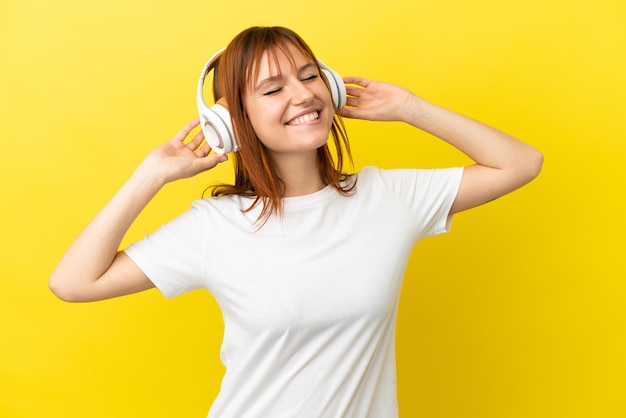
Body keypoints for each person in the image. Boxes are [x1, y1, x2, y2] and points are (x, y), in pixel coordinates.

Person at [50, 26, 543, 418]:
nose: (303, 95)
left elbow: (520, 163)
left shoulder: (388, 198)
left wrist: (410, 109)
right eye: (272, 88)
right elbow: (73, 283)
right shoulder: (214, 228)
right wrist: (151, 174)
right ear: (231, 119)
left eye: (310, 77)